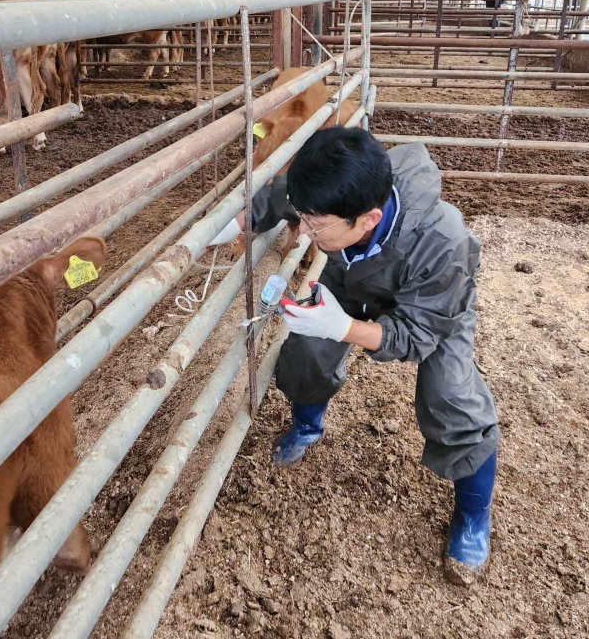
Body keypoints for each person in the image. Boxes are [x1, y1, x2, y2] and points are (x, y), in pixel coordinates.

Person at [210, 127, 500, 585]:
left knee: (451, 397)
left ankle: (472, 514)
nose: (304, 231)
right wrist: (234, 223)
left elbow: (416, 336)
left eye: (315, 225)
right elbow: (290, 197)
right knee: (305, 350)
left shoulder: (444, 244)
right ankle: (307, 425)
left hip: (432, 305)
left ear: (368, 219)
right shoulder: (336, 193)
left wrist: (343, 327)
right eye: (306, 218)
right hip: (355, 280)